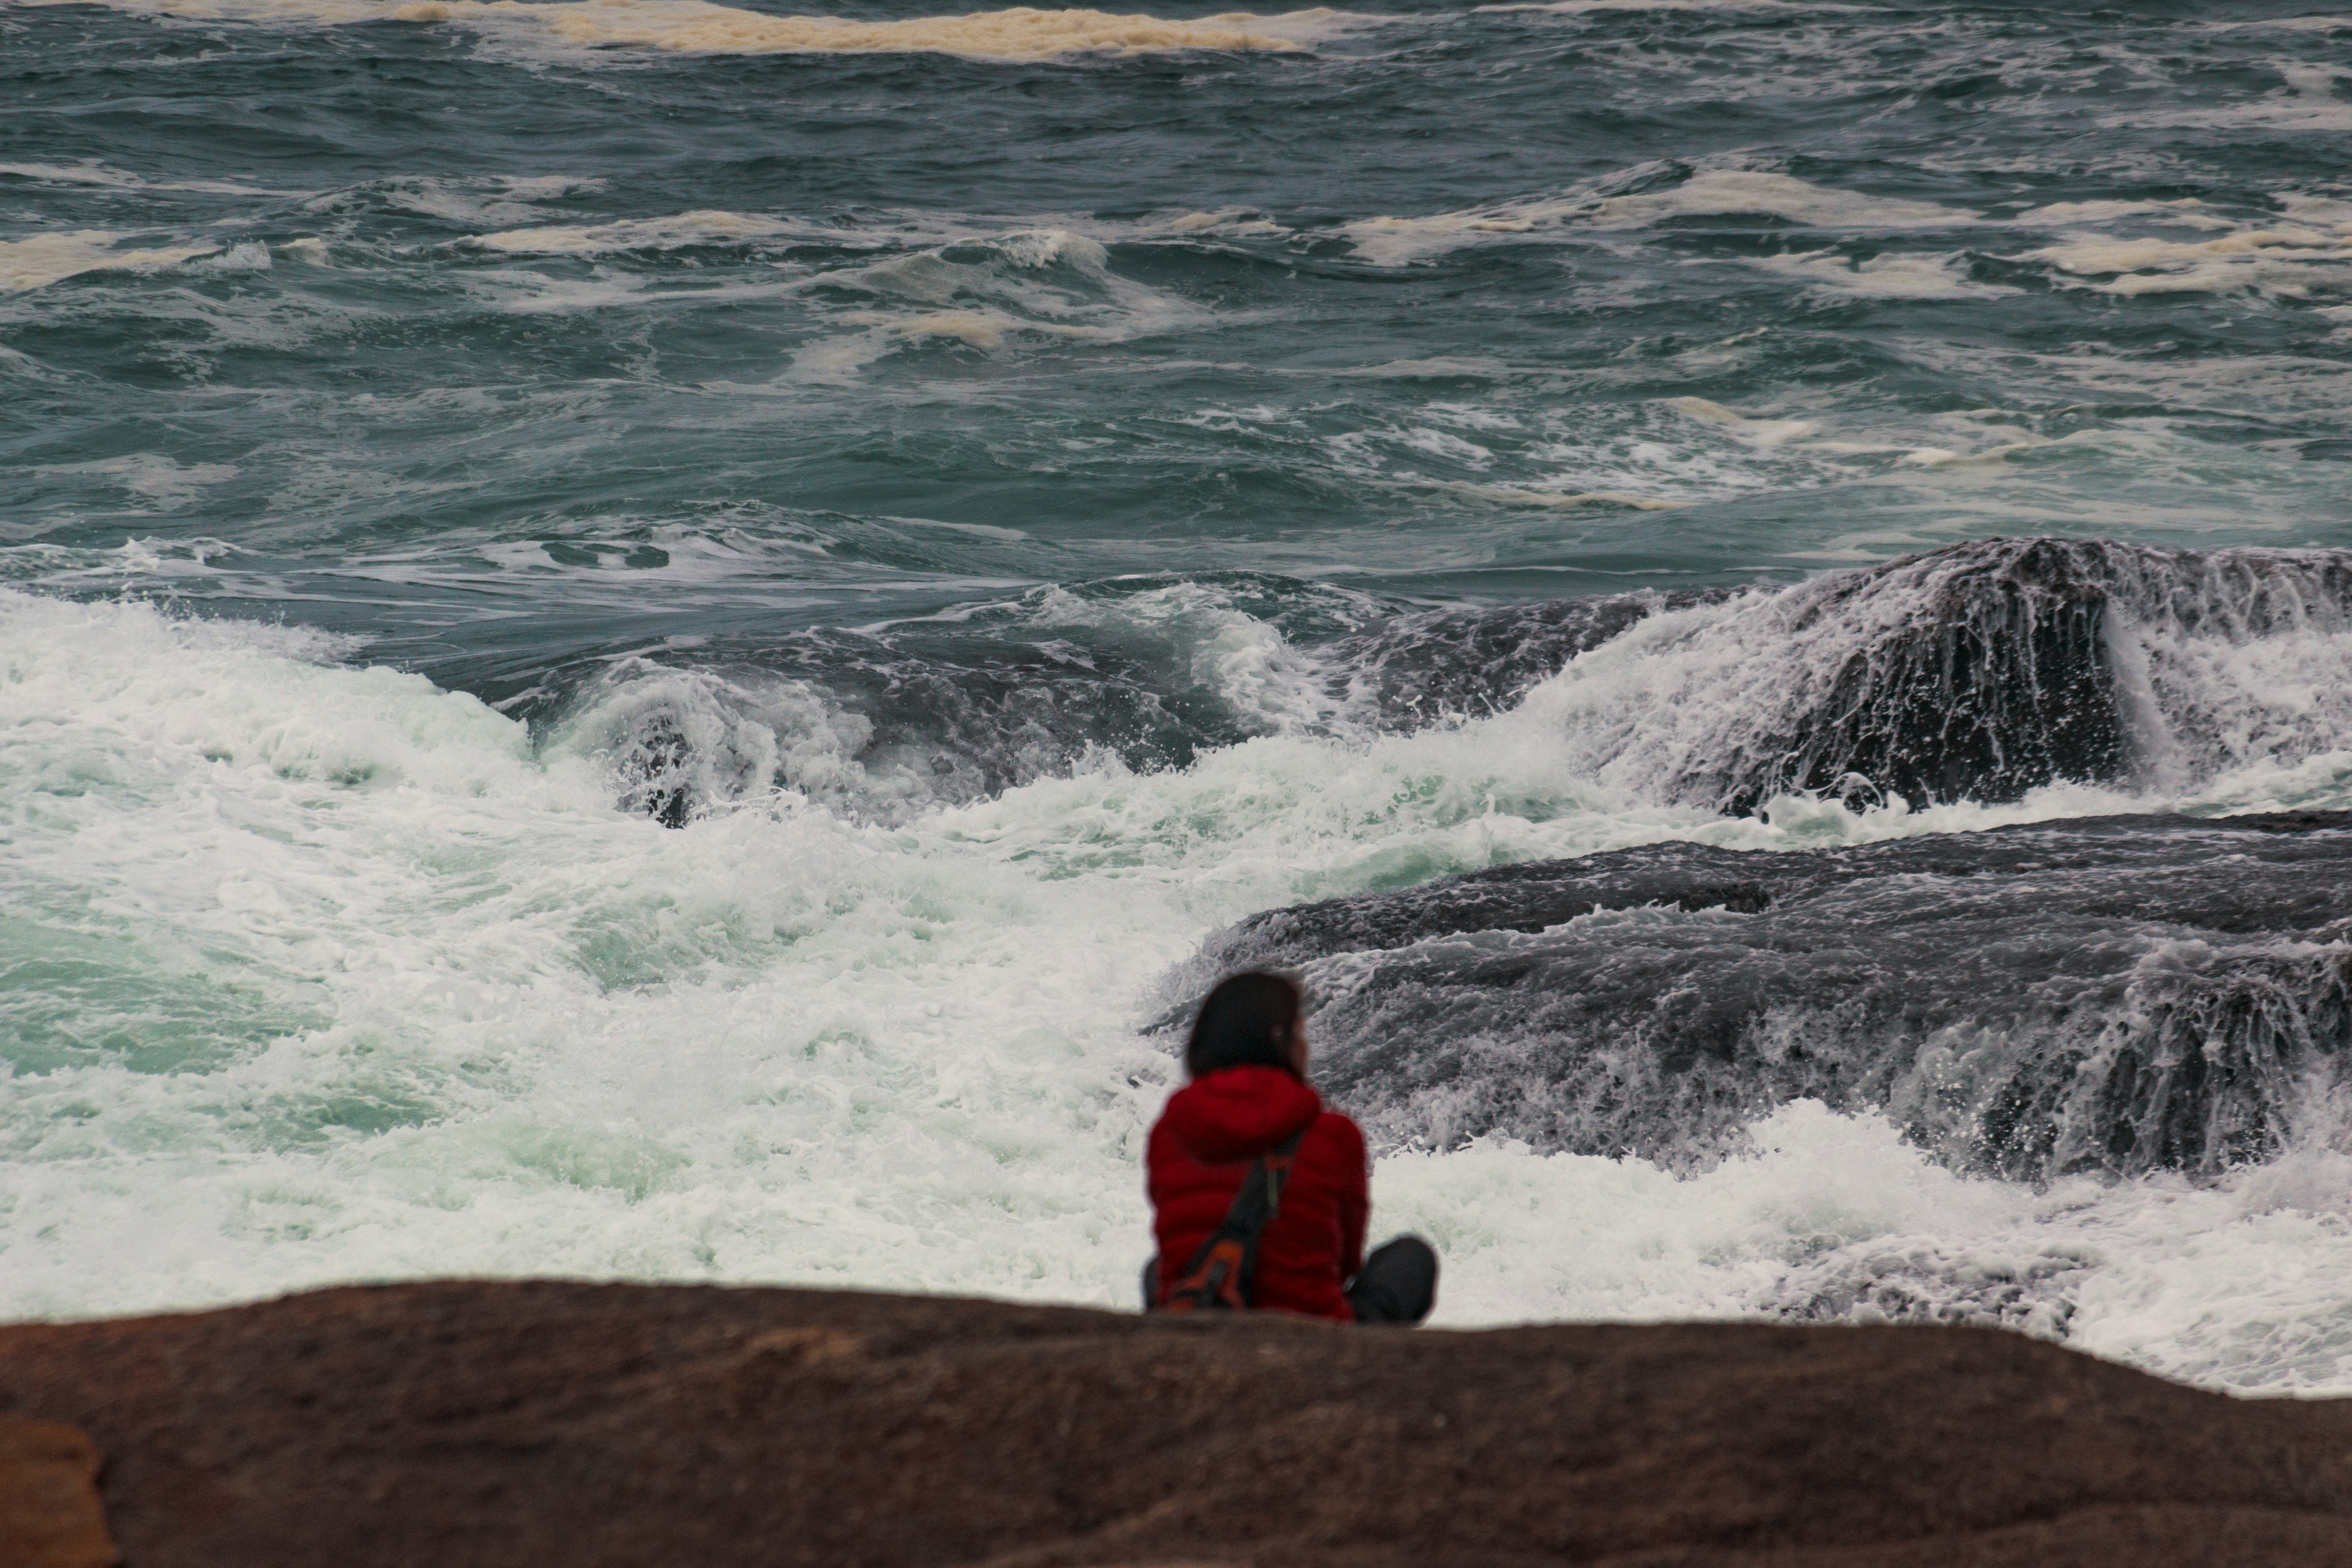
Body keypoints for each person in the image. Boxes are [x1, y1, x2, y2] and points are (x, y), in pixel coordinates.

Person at [1144, 970, 1437, 1323]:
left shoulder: (1169, 1130)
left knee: (1158, 1268)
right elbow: (1344, 1264)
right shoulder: (1334, 1134)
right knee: (1411, 1258)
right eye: (1300, 1031)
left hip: (1198, 1314)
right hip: (1312, 1328)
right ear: (1279, 1039)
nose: (1305, 1045)